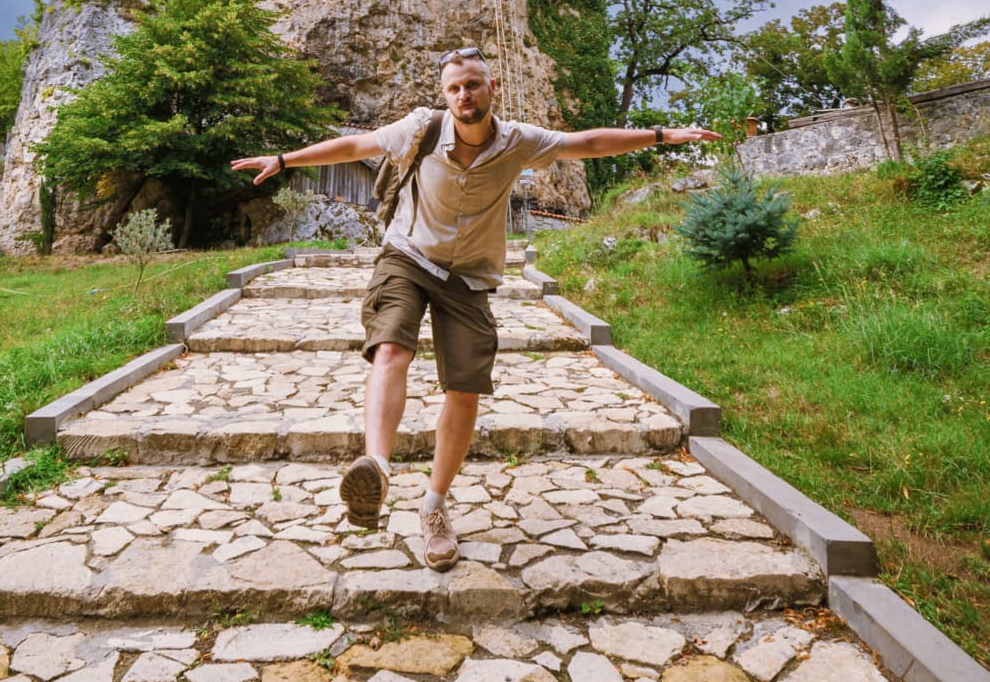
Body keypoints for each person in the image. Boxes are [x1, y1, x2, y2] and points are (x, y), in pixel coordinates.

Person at [232, 46, 720, 571]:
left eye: (472, 85)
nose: (464, 95)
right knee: (391, 346)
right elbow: (356, 144)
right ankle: (375, 465)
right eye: (454, 88)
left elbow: (586, 142)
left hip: (468, 278)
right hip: (409, 256)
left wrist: (663, 135)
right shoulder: (421, 128)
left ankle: (434, 507)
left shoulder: (518, 142)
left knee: (464, 390)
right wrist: (284, 160)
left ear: (492, 89)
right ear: (445, 96)